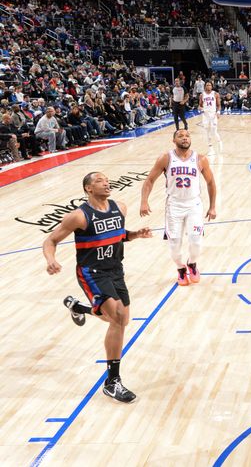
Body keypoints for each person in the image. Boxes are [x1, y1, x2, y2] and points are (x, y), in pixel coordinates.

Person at [44, 172, 152, 403]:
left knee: (121, 320)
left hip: (115, 269)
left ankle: (80, 308)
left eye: (107, 179)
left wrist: (134, 235)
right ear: (88, 188)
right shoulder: (79, 216)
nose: (106, 182)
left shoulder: (120, 207)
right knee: (118, 316)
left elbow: (117, 235)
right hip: (91, 272)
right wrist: (50, 260)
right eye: (99, 180)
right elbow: (50, 240)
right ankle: (112, 382)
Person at [139, 130, 217, 285]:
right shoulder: (166, 158)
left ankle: (192, 264)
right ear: (173, 140)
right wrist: (144, 201)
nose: (185, 138)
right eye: (180, 136)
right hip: (174, 206)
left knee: (196, 242)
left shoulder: (200, 159)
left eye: (187, 135)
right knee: (175, 246)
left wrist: (212, 206)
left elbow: (211, 183)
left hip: (194, 204)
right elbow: (149, 180)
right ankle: (180, 268)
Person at [200, 81, 223, 155]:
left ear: (212, 86)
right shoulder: (202, 95)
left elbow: (219, 105)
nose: (208, 86)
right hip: (205, 115)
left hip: (213, 114)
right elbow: (200, 105)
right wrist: (200, 108)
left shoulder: (215, 94)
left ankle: (219, 142)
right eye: (207, 85)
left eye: (209, 85)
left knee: (214, 130)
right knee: (207, 131)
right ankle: (210, 149)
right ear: (205, 86)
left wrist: (218, 112)